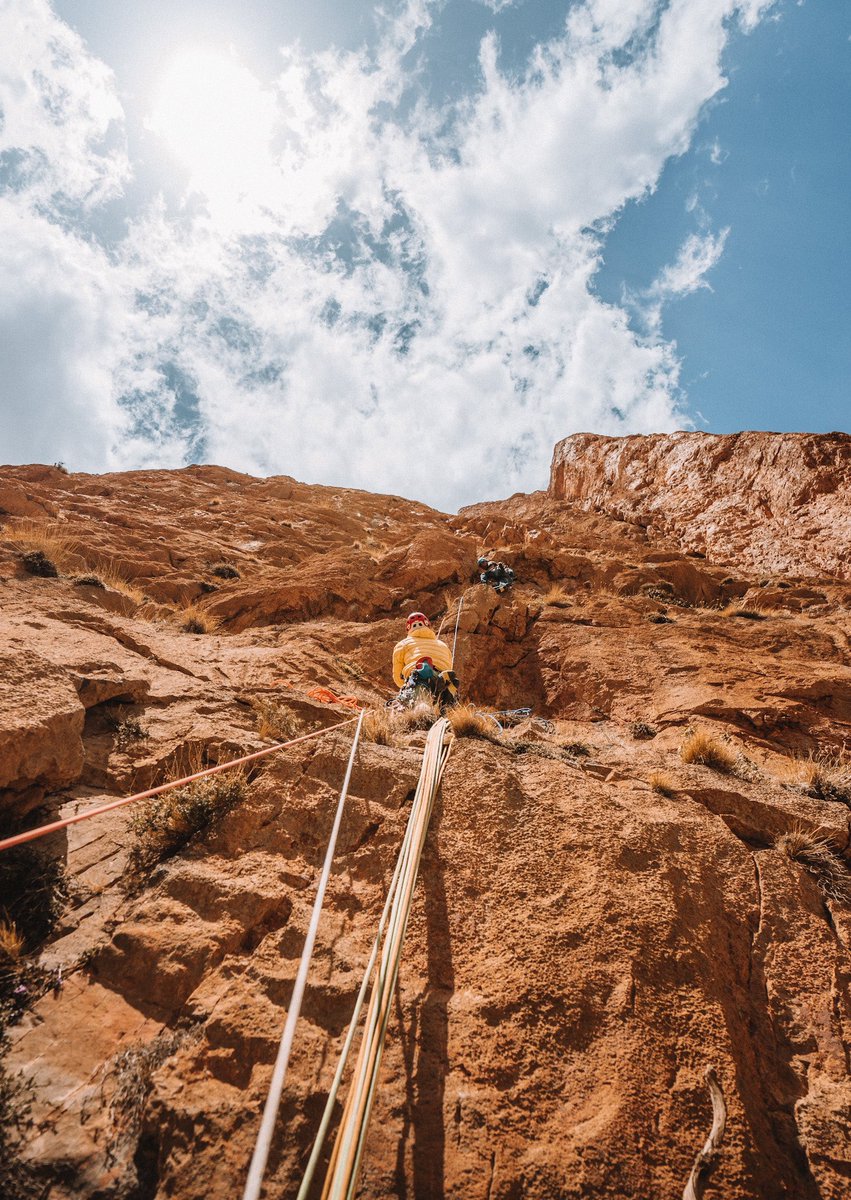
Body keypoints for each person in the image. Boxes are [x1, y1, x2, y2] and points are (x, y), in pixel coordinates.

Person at [392, 612, 460, 709]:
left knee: (420, 706)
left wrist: (403, 683)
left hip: (420, 676)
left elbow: (398, 675)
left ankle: (423, 708)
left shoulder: (403, 644)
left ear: (409, 629)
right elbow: (448, 665)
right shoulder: (443, 645)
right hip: (442, 674)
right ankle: (446, 691)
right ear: (427, 625)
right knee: (443, 710)